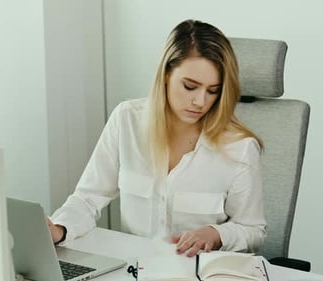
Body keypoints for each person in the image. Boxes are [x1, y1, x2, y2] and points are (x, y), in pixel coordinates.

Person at [48, 19, 266, 257]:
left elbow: (252, 230)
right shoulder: (127, 120)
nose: (200, 101)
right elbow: (88, 198)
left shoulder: (240, 147)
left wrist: (215, 234)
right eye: (190, 86)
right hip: (135, 270)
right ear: (166, 75)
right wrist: (60, 229)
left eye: (213, 91)